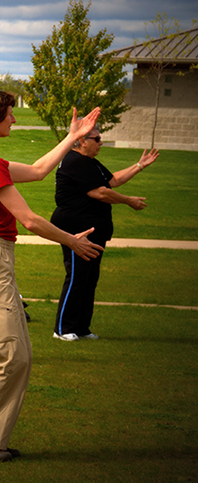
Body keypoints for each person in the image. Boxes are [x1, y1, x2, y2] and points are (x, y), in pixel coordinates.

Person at [0, 88, 103, 462]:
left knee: (21, 354)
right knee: (12, 354)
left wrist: (72, 136)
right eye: (9, 113)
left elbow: (38, 172)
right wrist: (71, 240)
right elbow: (31, 219)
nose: (14, 119)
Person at [51, 129, 159, 341]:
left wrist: (139, 166)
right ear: (81, 140)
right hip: (77, 230)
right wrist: (128, 201)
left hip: (94, 230)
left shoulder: (90, 162)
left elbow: (113, 181)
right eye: (97, 139)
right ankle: (63, 329)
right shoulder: (75, 161)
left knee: (89, 279)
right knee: (77, 277)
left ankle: (81, 328)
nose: (101, 143)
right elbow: (98, 192)